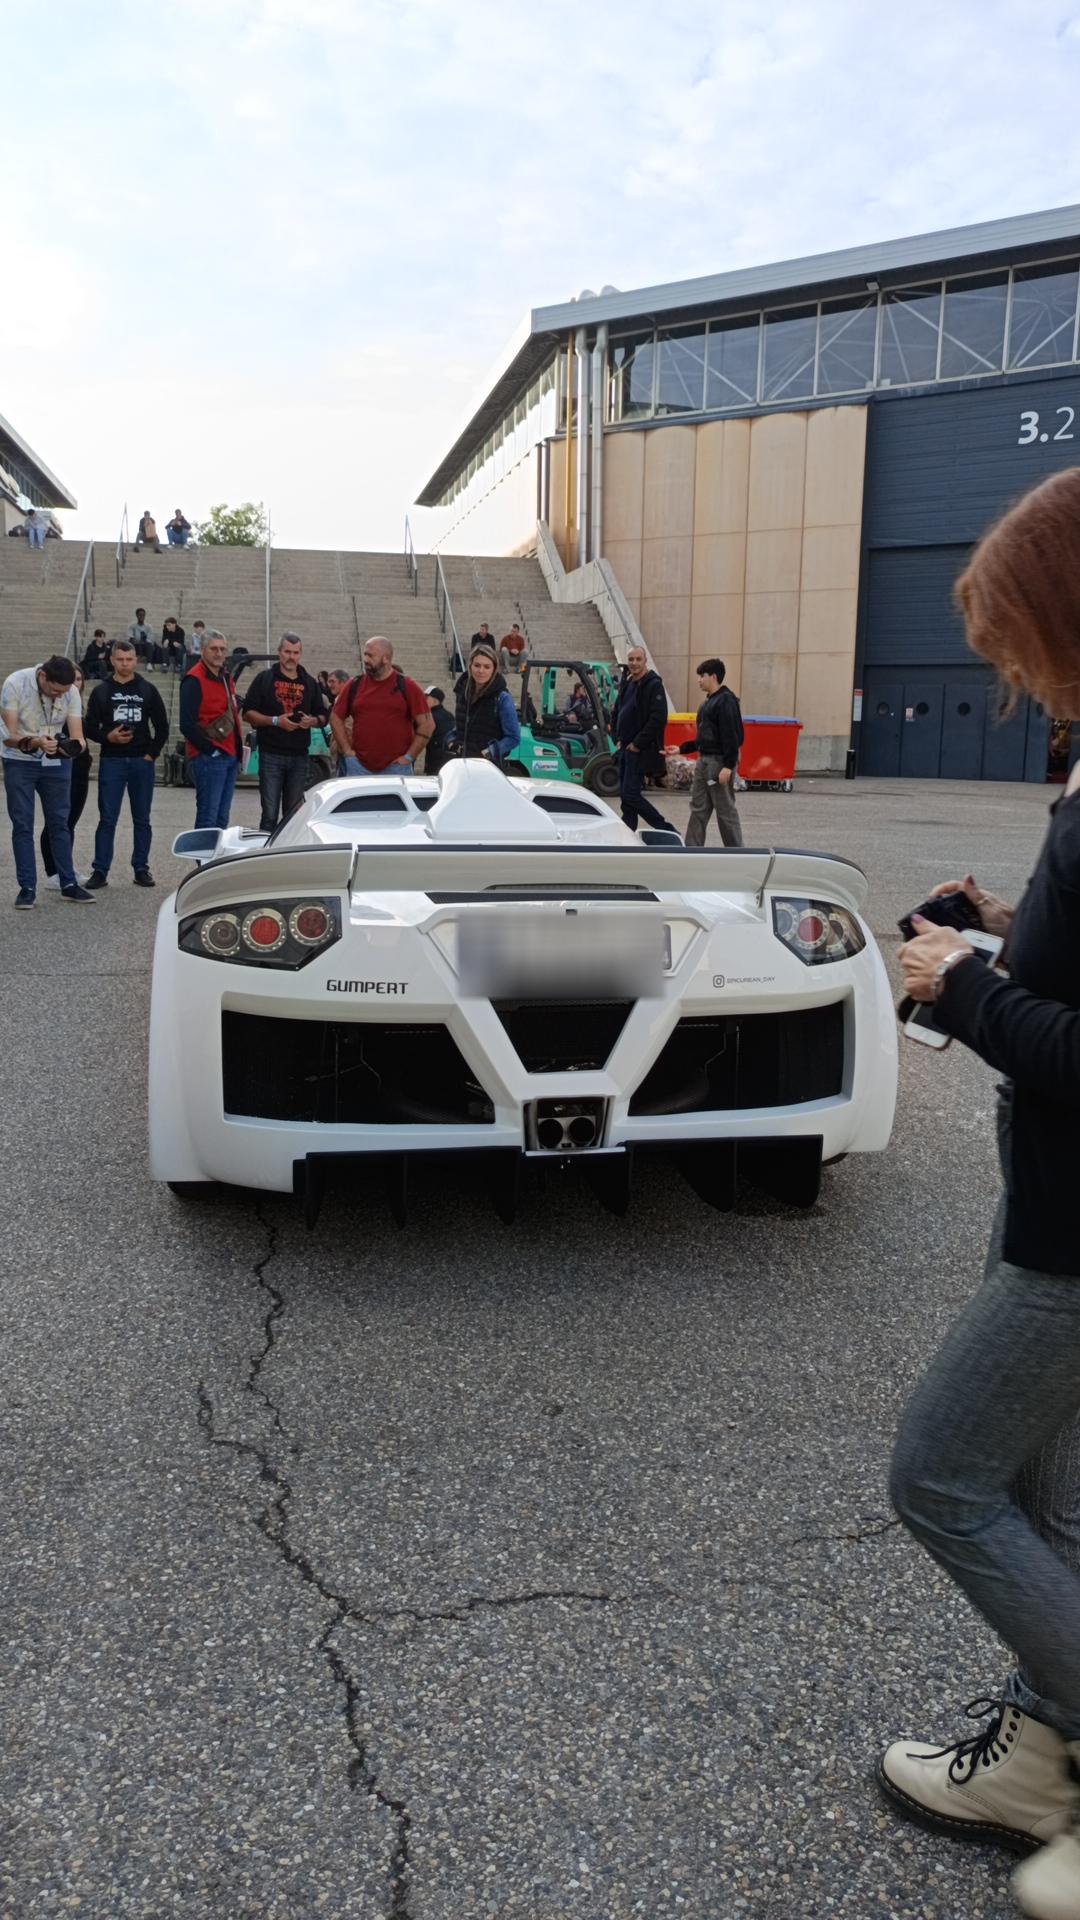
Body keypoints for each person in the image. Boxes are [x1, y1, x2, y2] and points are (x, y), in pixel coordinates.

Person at [876, 468, 1080, 1920]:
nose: (1003, 666)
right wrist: (1011, 926)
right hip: (1061, 1208)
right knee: (1053, 1506)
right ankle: (1032, 1767)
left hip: (1074, 1232)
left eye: (1011, 634)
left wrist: (964, 987)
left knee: (941, 1477)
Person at [1, 654, 95, 906]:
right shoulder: (15, 683)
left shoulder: (69, 692)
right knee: (23, 824)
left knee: (60, 823)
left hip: (55, 762)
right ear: (42, 676)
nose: (58, 697)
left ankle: (68, 883)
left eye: (62, 693)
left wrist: (70, 748)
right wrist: (35, 742)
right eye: (54, 691)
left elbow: (79, 736)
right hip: (19, 759)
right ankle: (27, 887)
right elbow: (8, 736)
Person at [83, 640, 168, 888]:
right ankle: (100, 870)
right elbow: (89, 727)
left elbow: (162, 726)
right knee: (107, 818)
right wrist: (107, 737)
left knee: (142, 818)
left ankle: (141, 868)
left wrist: (151, 754)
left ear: (136, 660)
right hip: (112, 761)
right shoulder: (102, 690)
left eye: (129, 659)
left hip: (142, 761)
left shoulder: (148, 689)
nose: (125, 664)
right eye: (120, 659)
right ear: (112, 660)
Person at [243, 631, 327, 832]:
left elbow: (324, 716)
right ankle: (265, 857)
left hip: (299, 756)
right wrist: (275, 721)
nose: (291, 657)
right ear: (279, 652)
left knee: (293, 815)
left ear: (300, 654)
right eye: (287, 651)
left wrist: (312, 721)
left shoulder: (309, 683)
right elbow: (248, 713)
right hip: (271, 754)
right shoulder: (264, 679)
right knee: (269, 814)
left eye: (295, 652)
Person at [330, 637, 433, 776]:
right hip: (359, 767)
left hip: (397, 769)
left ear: (386, 659)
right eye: (365, 654)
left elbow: (427, 725)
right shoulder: (354, 684)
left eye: (371, 655)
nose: (365, 659)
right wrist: (347, 751)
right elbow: (335, 718)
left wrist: (409, 757)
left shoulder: (407, 685)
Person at [180, 629, 242, 828]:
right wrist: (211, 751)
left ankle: (218, 860)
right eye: (214, 649)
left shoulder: (225, 677)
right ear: (203, 650)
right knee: (208, 817)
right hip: (210, 757)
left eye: (222, 649)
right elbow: (186, 724)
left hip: (229, 755)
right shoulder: (194, 680)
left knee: (222, 818)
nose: (219, 653)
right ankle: (204, 860)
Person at [681, 658, 744, 848]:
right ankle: (691, 849)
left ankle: (737, 852)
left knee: (724, 809)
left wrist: (728, 766)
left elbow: (732, 736)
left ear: (714, 677)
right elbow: (704, 739)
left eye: (702, 676)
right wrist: (682, 749)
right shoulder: (708, 703)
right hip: (704, 763)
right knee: (698, 807)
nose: (699, 680)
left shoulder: (726, 701)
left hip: (718, 764)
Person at [613, 647, 676, 835]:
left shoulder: (653, 684)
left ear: (645, 660)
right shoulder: (628, 682)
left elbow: (658, 718)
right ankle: (627, 834)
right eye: (631, 659)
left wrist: (636, 744)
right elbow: (617, 710)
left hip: (639, 749)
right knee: (626, 798)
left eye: (638, 659)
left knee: (630, 794)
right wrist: (617, 737)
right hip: (625, 747)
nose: (634, 663)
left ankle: (666, 829)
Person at [40, 665, 92, 890]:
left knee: (70, 821)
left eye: (79, 679)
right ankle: (54, 871)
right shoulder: (53, 705)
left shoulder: (80, 706)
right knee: (56, 820)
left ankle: (65, 866)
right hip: (57, 765)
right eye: (72, 680)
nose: (75, 684)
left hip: (79, 768)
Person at [450, 644, 521, 764]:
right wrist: (451, 740)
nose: (481, 671)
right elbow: (461, 724)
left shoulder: (502, 698)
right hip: (461, 763)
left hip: (488, 767)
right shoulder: (462, 691)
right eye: (477, 665)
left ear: (494, 669)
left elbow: (513, 738)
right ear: (470, 666)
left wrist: (488, 752)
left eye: (487, 667)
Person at [423, 687, 455, 775]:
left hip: (436, 761)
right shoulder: (448, 715)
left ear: (435, 701)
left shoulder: (431, 716)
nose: (423, 700)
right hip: (445, 760)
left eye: (426, 698)